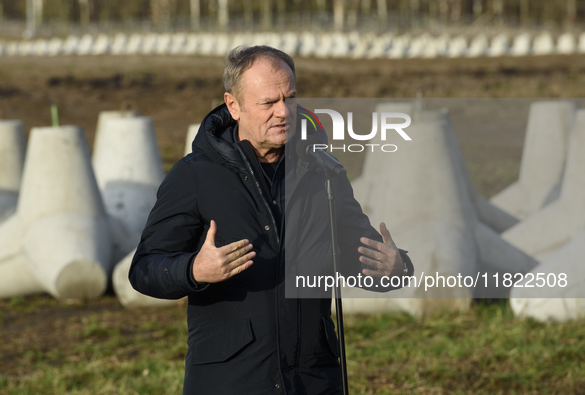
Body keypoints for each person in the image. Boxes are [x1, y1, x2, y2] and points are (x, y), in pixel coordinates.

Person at [129, 45, 413, 395]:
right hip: (231, 381)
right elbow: (144, 269)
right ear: (234, 105)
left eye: (290, 98)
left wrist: (394, 268)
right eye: (268, 103)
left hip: (313, 379)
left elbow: (360, 255)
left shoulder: (324, 172)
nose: (283, 112)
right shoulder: (194, 176)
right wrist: (193, 270)